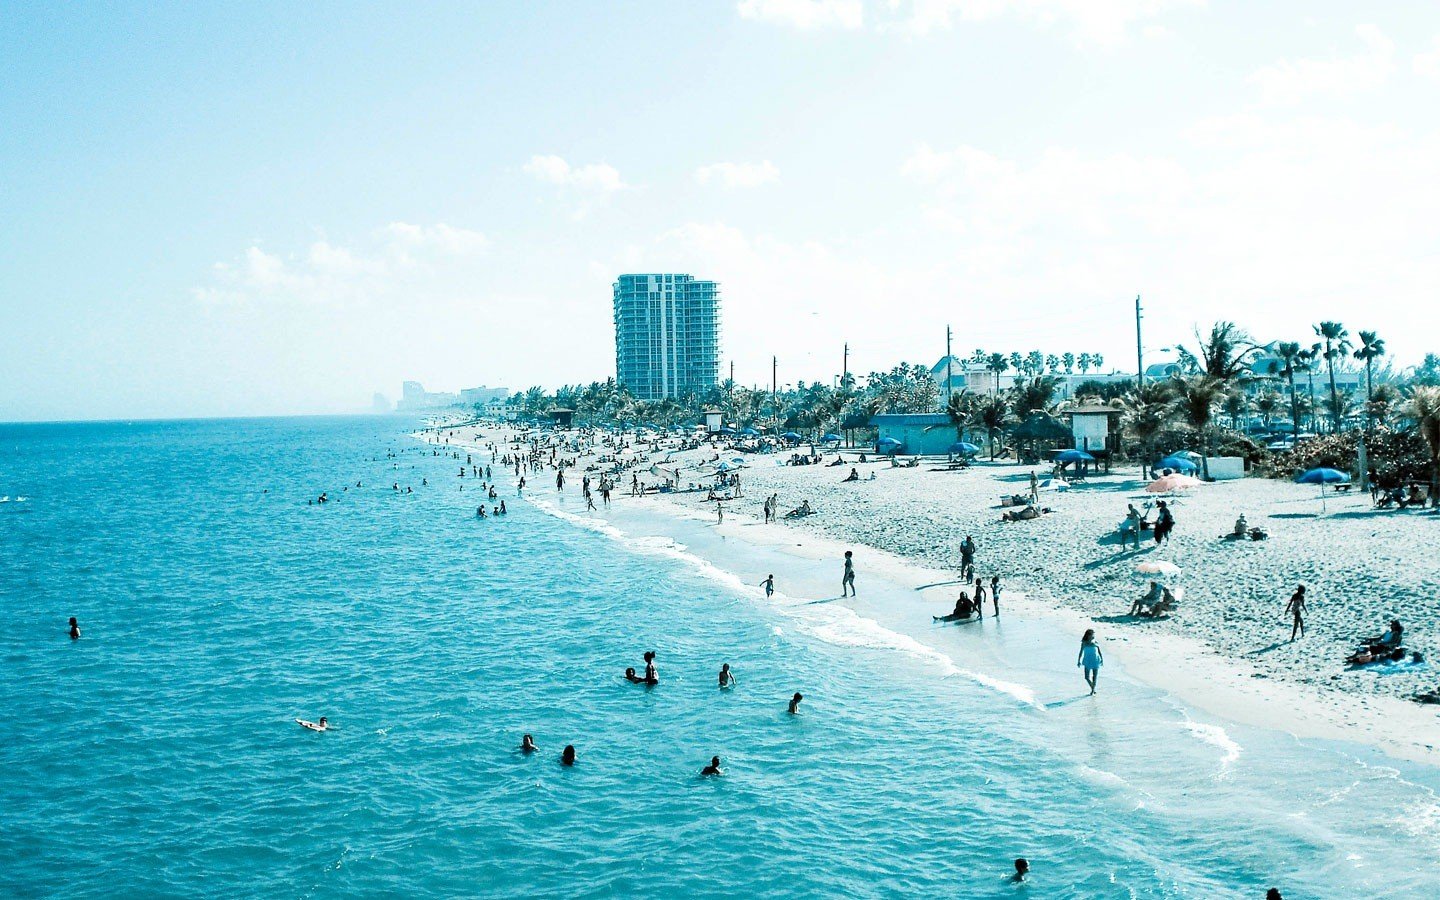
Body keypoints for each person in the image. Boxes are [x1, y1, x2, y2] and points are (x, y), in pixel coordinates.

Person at [1078, 629, 1103, 695]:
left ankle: (1093, 690)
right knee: (1086, 677)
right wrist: (1078, 661)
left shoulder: (1095, 642)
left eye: (1094, 634)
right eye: (1092, 634)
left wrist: (1102, 659)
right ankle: (1093, 688)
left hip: (1095, 660)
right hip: (1087, 660)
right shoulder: (1084, 643)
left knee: (1095, 676)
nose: (1093, 636)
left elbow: (1099, 651)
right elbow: (1080, 652)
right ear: (1088, 635)